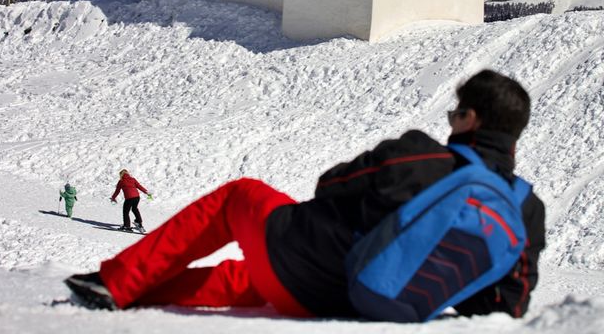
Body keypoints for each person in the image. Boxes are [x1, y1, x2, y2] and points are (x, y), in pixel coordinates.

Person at [65, 70, 546, 321]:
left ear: (471, 120)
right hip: (360, 302)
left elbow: (330, 185)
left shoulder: (420, 157)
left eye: (455, 114)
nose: (450, 123)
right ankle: (139, 295)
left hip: (303, 266)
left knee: (239, 196)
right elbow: (510, 302)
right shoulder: (526, 208)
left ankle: (119, 283)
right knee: (244, 279)